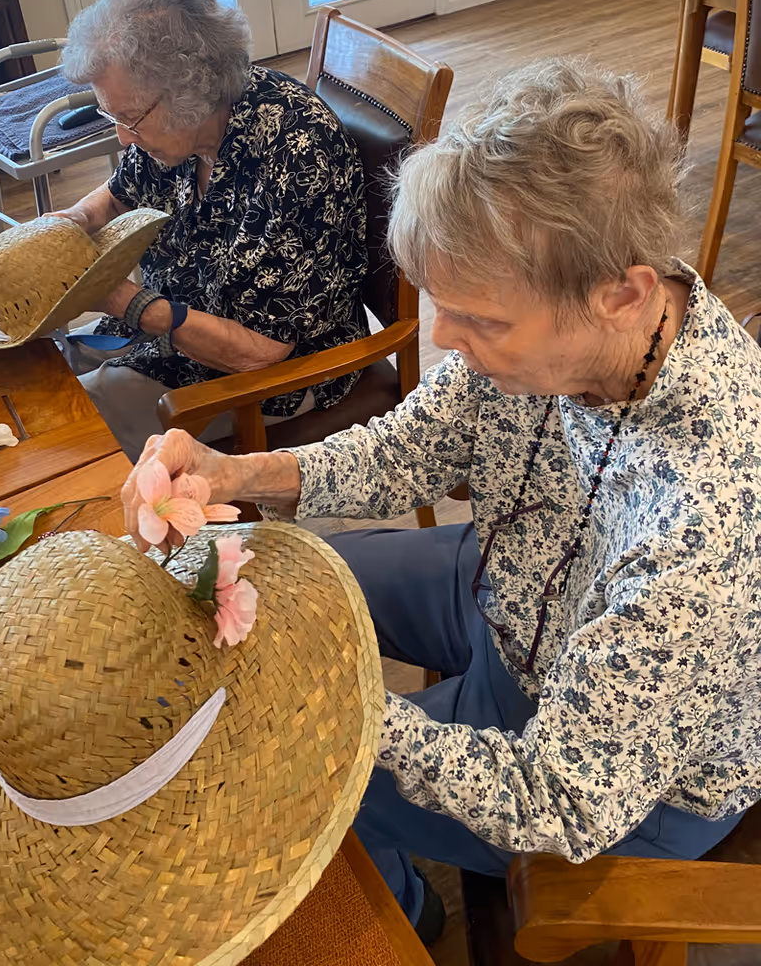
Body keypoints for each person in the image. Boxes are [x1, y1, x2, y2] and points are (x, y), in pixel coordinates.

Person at [119, 58, 761, 938]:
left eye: (482, 323)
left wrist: (340, 704)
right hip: (516, 587)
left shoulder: (703, 525)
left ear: (623, 296)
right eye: (438, 306)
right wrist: (236, 477)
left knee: (289, 760)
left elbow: (562, 798)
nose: (444, 343)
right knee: (277, 577)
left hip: (616, 774)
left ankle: (406, 920)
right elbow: (414, 444)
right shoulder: (583, 289)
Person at [52, 0, 368, 463]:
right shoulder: (173, 127)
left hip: (268, 376)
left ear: (190, 93)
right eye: (111, 115)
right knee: (45, 367)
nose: (122, 138)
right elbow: (118, 196)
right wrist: (77, 218)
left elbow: (261, 352)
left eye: (129, 118)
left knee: (71, 431)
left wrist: (122, 298)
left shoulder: (296, 155)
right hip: (171, 333)